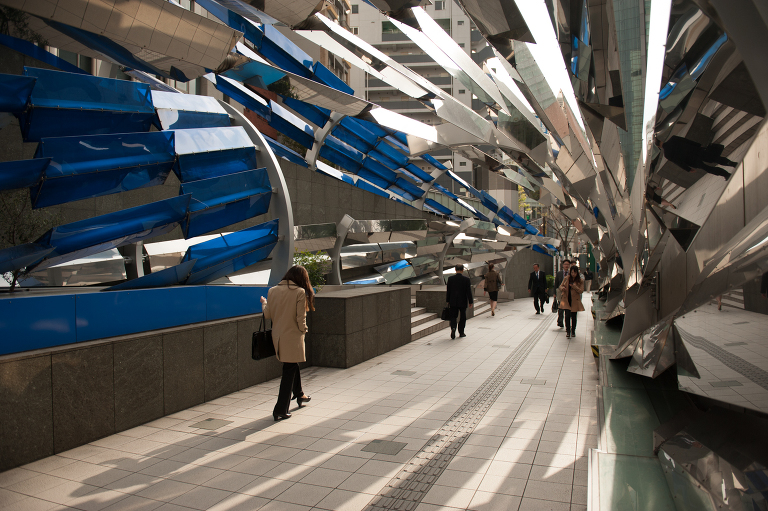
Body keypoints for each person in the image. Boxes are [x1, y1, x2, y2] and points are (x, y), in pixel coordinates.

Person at [260, 265, 314, 421]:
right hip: (293, 337)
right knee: (289, 370)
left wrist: (264, 303)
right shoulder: (299, 292)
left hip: (277, 337)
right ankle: (280, 409)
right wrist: (304, 330)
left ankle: (299, 394)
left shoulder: (272, 291)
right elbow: (301, 318)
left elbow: (267, 315)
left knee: (291, 365)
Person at [654, 136, 736, 180]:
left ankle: (726, 174)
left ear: (658, 146)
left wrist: (688, 169)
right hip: (696, 151)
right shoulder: (673, 139)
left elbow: (679, 162)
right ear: (660, 140)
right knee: (714, 158)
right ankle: (730, 163)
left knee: (708, 168)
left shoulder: (667, 154)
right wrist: (698, 145)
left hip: (692, 161)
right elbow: (687, 141)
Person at [446, 264, 473, 338]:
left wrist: (448, 300)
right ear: (462, 270)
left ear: (455, 269)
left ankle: (453, 328)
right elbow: (468, 291)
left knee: (453, 316)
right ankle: (461, 332)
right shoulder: (466, 279)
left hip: (453, 300)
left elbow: (448, 290)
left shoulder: (450, 279)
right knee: (462, 316)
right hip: (463, 300)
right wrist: (470, 301)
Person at [559, 266, 585, 338]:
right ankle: (568, 331)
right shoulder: (566, 278)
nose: (573, 274)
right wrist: (563, 288)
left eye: (575, 272)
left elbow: (581, 291)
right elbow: (560, 286)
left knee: (573, 316)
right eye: (572, 272)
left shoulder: (580, 280)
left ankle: (573, 330)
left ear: (577, 273)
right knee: (567, 316)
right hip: (567, 299)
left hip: (575, 300)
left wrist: (574, 286)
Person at [554, 260, 571, 327]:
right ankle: (560, 320)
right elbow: (556, 283)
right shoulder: (559, 273)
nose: (566, 265)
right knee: (560, 307)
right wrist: (554, 293)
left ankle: (567, 322)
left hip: (568, 293)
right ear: (563, 265)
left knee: (567, 308)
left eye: (568, 264)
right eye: (565, 264)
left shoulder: (570, 273)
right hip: (560, 293)